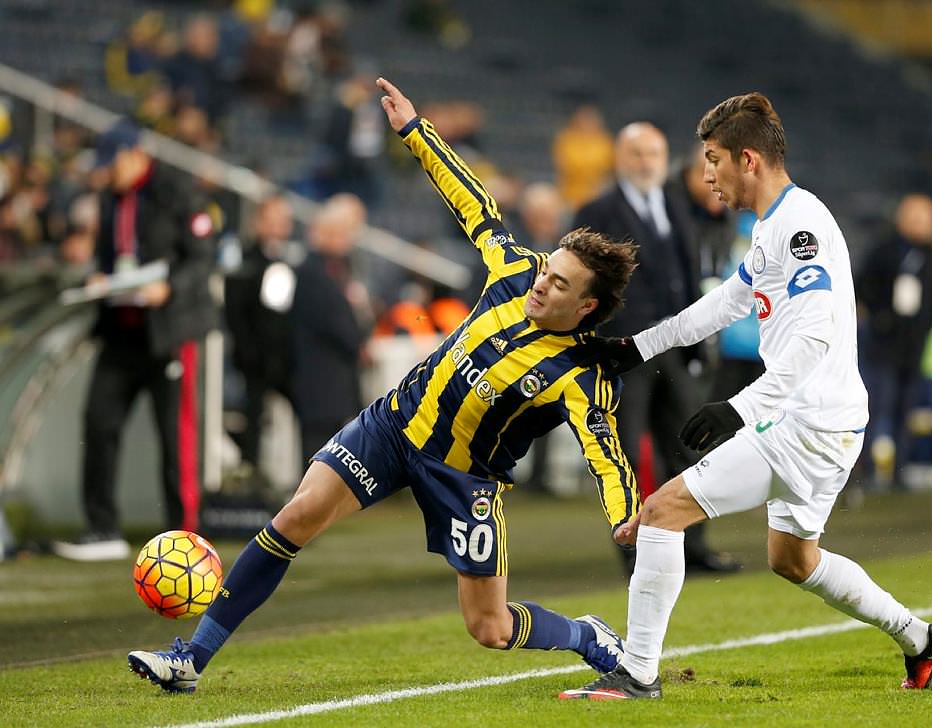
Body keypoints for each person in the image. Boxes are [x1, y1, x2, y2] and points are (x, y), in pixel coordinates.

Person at [126, 77, 640, 693]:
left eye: (559, 284)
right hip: (394, 425)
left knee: (490, 627)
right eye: (548, 269)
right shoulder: (514, 269)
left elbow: (605, 453)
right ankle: (191, 658)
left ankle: (586, 635)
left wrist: (625, 516)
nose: (541, 283)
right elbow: (472, 202)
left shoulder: (580, 374)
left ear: (586, 307)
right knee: (295, 516)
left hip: (464, 479)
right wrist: (416, 132)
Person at [561, 92, 932, 700]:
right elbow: (725, 303)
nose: (706, 176)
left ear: (747, 159)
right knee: (793, 559)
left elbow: (815, 336)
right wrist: (638, 347)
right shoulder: (776, 224)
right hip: (827, 423)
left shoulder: (800, 228)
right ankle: (918, 637)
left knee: (663, 511)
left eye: (713, 160)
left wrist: (738, 409)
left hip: (805, 425)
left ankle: (637, 673)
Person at [574, 121, 739, 575]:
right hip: (623, 352)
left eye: (654, 154)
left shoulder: (674, 205)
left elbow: (688, 274)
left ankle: (691, 546)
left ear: (665, 161)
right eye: (637, 153)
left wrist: (696, 340)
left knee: (690, 445)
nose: (646, 162)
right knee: (624, 455)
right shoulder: (596, 211)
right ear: (619, 158)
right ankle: (633, 553)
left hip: (674, 348)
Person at [53, 119, 218, 561]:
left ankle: (185, 537)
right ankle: (102, 528)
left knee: (175, 436)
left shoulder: (177, 189)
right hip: (121, 332)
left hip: (169, 332)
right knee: (98, 422)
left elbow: (203, 258)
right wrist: (100, 277)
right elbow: (113, 256)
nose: (109, 173)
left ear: (137, 154)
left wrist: (170, 288)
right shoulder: (111, 198)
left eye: (114, 164)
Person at [856, 193, 932, 489]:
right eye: (916, 217)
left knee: (905, 412)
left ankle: (899, 473)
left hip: (913, 348)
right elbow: (863, 285)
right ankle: (864, 472)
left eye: (926, 219)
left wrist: (924, 327)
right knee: (875, 408)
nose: (921, 224)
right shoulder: (884, 251)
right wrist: (881, 318)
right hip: (882, 346)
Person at [290, 193, 373, 461]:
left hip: (337, 385)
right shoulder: (313, 272)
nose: (350, 239)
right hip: (321, 385)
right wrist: (357, 338)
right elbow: (336, 324)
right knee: (318, 458)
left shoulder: (340, 268)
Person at [224, 194, 303, 469]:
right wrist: (248, 351)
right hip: (255, 356)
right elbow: (235, 312)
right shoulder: (244, 261)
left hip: (287, 357)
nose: (278, 227)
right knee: (253, 416)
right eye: (272, 220)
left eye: (283, 221)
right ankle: (251, 473)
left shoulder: (295, 261)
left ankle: (313, 474)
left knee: (307, 411)